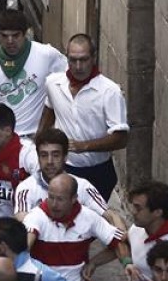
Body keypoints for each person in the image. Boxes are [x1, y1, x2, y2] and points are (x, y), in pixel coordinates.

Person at [39, 33, 129, 200]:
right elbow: (50, 110)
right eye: (73, 60)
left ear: (93, 58)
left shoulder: (109, 92)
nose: (78, 66)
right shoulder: (53, 83)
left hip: (98, 171)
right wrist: (39, 142)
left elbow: (121, 138)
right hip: (64, 169)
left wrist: (84, 146)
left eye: (84, 59)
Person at [0, 8, 67, 137]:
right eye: (4, 36)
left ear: (25, 33)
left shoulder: (47, 54)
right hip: (2, 137)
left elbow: (69, 76)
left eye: (15, 35)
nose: (10, 41)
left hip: (35, 137)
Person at [25, 173, 128, 281]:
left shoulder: (89, 217)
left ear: (74, 199)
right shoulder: (36, 216)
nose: (54, 205)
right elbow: (24, 246)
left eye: (60, 199)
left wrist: (126, 263)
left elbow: (119, 242)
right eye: (51, 197)